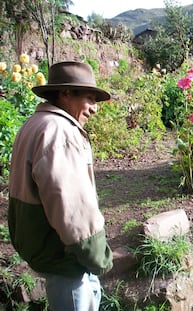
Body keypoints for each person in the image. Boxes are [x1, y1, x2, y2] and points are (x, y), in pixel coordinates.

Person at [8, 61, 113, 310]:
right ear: (65, 94)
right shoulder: (60, 133)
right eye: (89, 98)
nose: (95, 109)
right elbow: (72, 208)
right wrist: (98, 257)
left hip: (48, 250)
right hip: (66, 261)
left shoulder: (36, 124)